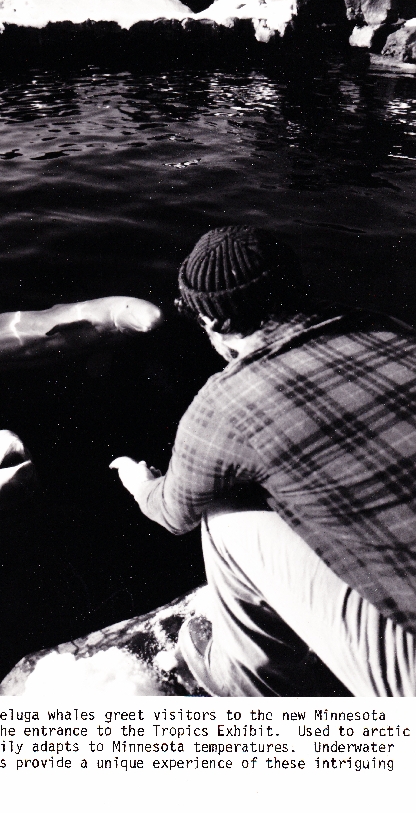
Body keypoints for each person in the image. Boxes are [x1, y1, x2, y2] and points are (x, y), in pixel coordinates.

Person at [110, 226, 416, 697]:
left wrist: (141, 481)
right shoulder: (389, 329)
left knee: (220, 518)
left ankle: (245, 681)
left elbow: (173, 515)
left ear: (212, 324)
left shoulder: (223, 404)